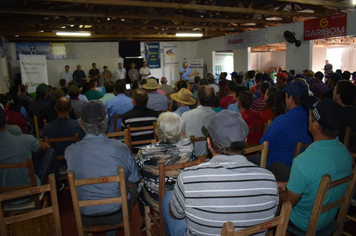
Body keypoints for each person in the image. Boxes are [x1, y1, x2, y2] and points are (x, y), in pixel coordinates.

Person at [163, 110, 279, 235]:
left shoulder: (187, 178)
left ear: (209, 143)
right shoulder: (269, 179)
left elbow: (175, 214)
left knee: (168, 197)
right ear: (245, 141)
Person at [65, 101, 140, 236]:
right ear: (106, 122)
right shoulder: (121, 148)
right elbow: (133, 179)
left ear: (81, 124)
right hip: (117, 213)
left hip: (85, 214)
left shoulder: (70, 151)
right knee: (133, 185)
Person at [278, 97, 352, 232]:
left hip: (303, 221)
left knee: (266, 201)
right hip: (328, 216)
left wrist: (271, 192)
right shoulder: (345, 153)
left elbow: (288, 202)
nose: (308, 117)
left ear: (315, 125)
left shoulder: (303, 161)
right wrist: (285, 186)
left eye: (310, 115)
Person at [135, 112, 196, 230]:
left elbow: (139, 174)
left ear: (158, 131)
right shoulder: (188, 146)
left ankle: (144, 221)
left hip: (155, 197)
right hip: (182, 194)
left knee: (139, 184)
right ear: (180, 130)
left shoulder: (145, 152)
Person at [0, 107, 60, 196]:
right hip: (31, 191)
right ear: (7, 120)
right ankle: (57, 186)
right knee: (49, 150)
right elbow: (44, 147)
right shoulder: (25, 140)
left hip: (3, 196)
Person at [260, 81, 312, 169]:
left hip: (277, 168)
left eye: (286, 96)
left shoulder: (281, 120)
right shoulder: (312, 120)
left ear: (290, 98)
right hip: (303, 166)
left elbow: (265, 148)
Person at [181, 85, 216, 157]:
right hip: (210, 157)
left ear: (197, 98)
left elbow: (181, 136)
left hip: (191, 158)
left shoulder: (186, 115)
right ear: (213, 99)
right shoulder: (216, 117)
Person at [121, 89, 158, 154]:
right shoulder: (154, 115)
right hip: (151, 150)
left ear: (134, 101)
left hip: (134, 151)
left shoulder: (126, 117)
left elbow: (124, 133)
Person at [333, 80, 356, 147]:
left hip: (338, 150)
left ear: (338, 96)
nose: (332, 91)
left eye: (334, 90)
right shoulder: (353, 112)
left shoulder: (335, 115)